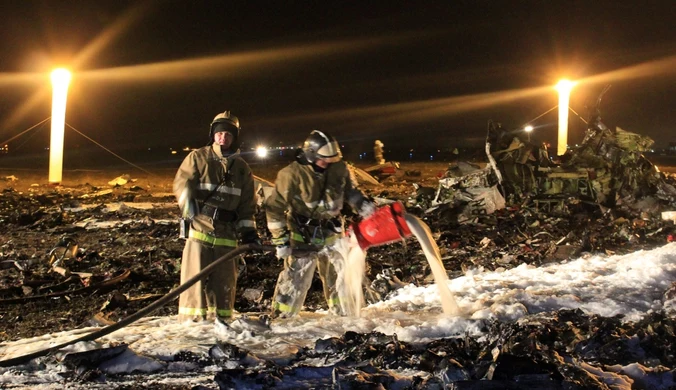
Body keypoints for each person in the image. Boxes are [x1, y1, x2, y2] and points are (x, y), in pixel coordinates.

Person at [265, 130, 376, 318]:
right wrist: (281, 240)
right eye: (324, 160)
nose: (329, 163)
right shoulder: (291, 174)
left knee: (340, 280)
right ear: (311, 155)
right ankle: (282, 321)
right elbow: (274, 208)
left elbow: (351, 192)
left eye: (332, 159)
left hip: (332, 233)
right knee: (295, 281)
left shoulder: (339, 169)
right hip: (302, 236)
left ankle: (344, 318)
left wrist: (363, 205)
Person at [173, 110, 259, 322]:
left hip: (227, 235)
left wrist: (249, 232)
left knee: (225, 286)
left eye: (228, 134)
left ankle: (223, 325)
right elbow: (182, 185)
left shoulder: (241, 169)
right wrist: (189, 211)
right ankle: (192, 327)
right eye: (219, 133)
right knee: (193, 283)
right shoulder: (198, 158)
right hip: (200, 230)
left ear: (234, 137)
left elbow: (248, 204)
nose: (223, 137)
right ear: (213, 134)